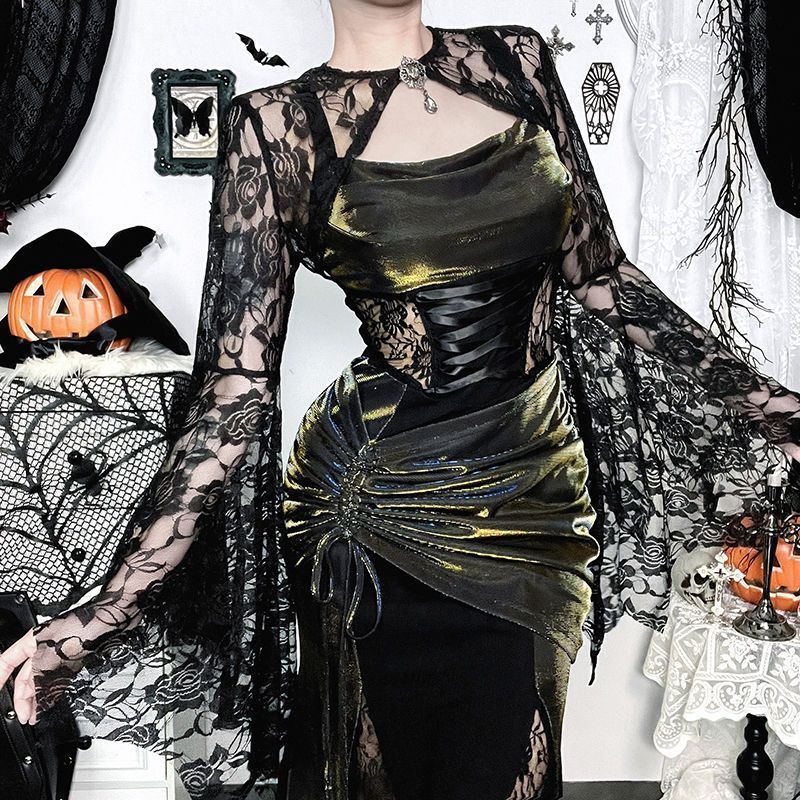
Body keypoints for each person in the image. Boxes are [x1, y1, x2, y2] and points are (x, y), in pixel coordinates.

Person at [2, 2, 800, 799]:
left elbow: (599, 274)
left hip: (538, 496)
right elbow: (234, 390)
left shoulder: (517, 63)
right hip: (379, 512)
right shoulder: (274, 127)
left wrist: (775, 408)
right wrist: (94, 619)